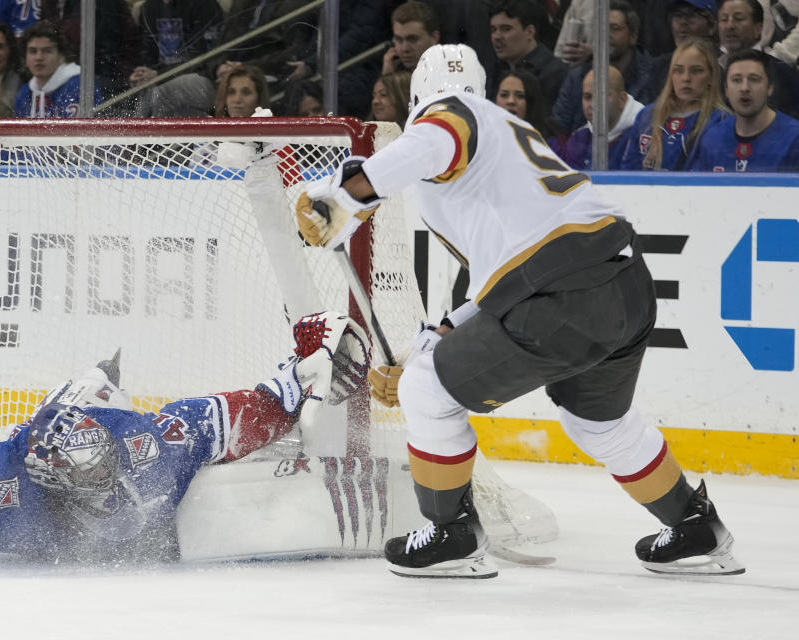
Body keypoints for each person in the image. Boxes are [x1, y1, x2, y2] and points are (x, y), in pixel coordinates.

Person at [295, 43, 744, 579]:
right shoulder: (504, 142)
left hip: (561, 294)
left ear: (418, 94)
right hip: (623, 285)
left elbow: (438, 136)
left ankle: (450, 534)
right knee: (599, 425)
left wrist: (345, 197)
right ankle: (695, 523)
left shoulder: (449, 119)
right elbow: (495, 286)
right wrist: (432, 343)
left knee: (425, 391)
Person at [0, 312, 373, 562]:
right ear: (57, 482)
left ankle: (100, 380)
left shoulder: (146, 445)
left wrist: (301, 374)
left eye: (105, 462)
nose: (111, 476)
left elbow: (240, 417)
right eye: (93, 474)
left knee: (101, 388)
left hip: (98, 410)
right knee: (91, 384)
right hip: (38, 436)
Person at [619, 38, 729, 170]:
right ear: (670, 75)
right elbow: (628, 174)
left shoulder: (721, 121)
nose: (686, 78)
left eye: (696, 71)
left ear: (711, 77)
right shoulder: (647, 116)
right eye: (678, 70)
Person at [551, 0, 657, 136]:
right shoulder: (577, 77)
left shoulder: (654, 75)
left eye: (615, 28)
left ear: (633, 36)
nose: (606, 34)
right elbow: (559, 131)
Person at [687, 47, 799, 170]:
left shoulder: (795, 137)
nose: (744, 88)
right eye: (736, 80)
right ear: (726, 90)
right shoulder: (713, 139)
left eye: (754, 79)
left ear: (770, 88)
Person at [717, 0, 799, 118]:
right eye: (724, 20)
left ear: (758, 28)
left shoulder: (781, 72)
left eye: (739, 18)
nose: (729, 26)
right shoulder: (711, 70)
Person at [551, 66, 644, 170]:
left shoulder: (644, 136)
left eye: (601, 96)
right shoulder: (579, 138)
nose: (593, 104)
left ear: (622, 100)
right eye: (587, 97)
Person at [489, 0, 568, 112]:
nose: (496, 36)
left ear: (530, 32)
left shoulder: (555, 74)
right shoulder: (495, 70)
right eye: (493, 30)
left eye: (506, 29)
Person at [13, 20, 101, 119]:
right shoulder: (24, 93)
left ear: (62, 56)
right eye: (33, 51)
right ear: (25, 58)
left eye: (47, 51)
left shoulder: (80, 87)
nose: (39, 57)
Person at [650, 0, 720, 92]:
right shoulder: (657, 68)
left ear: (711, 26)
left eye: (692, 16)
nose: (683, 22)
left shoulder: (724, 65)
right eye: (678, 15)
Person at [382, 1, 440, 76]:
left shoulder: (451, 72)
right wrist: (388, 76)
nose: (404, 49)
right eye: (399, 40)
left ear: (434, 38)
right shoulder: (393, 70)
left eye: (412, 39)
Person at [494, 69, 553, 137]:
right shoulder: (483, 135)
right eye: (504, 95)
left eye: (520, 96)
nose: (511, 101)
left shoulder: (546, 142)